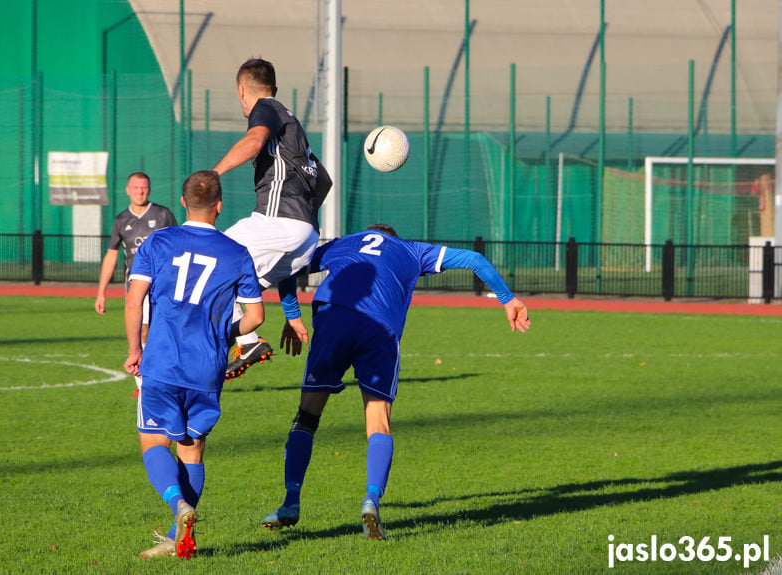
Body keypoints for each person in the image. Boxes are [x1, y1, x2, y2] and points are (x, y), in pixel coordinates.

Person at [261, 224, 531, 540]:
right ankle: (371, 500)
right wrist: (508, 299)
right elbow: (474, 259)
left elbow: (289, 267)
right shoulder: (413, 250)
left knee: (306, 418)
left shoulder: (344, 243)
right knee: (378, 422)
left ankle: (291, 501)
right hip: (378, 329)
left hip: (334, 320)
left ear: (367, 234)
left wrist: (293, 317)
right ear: (394, 237)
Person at [123, 170, 264, 558]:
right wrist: (226, 333)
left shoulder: (158, 241)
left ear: (183, 202)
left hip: (163, 361)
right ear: (219, 206)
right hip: (208, 366)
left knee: (153, 440)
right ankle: (179, 539)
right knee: (192, 449)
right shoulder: (237, 253)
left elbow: (135, 302)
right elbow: (255, 318)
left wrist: (135, 350)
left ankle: (178, 506)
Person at [212, 57, 331, 381]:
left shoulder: (265, 107)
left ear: (241, 89)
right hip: (304, 236)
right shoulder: (296, 131)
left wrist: (214, 173)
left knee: (209, 254)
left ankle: (195, 351)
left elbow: (254, 141)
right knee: (232, 286)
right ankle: (248, 342)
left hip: (278, 219)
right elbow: (324, 181)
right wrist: (292, 315)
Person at [96, 172, 178, 395]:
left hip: (164, 286)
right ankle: (144, 385)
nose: (140, 191)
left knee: (163, 331)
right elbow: (112, 254)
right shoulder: (121, 220)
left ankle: (167, 379)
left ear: (149, 189)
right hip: (136, 289)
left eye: (144, 187)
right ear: (127, 190)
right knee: (141, 330)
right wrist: (101, 292)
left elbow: (179, 246)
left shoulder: (163, 215)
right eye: (136, 187)